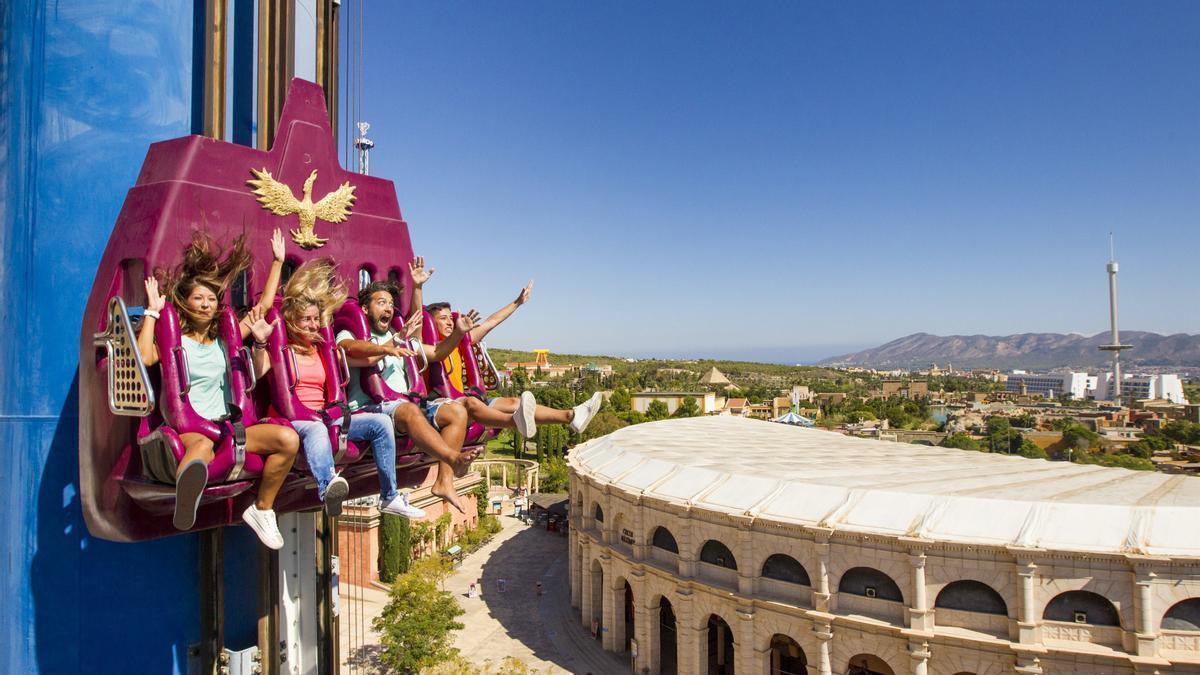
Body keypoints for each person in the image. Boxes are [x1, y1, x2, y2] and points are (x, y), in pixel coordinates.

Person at [136, 228, 299, 549]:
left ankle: (263, 509)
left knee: (287, 439)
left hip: (229, 425)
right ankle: (187, 502)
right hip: (195, 428)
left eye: (211, 299)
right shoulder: (176, 343)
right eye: (199, 298)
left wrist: (278, 263)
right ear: (185, 302)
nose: (206, 304)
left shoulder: (227, 340)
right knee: (200, 451)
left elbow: (262, 308)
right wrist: (152, 312)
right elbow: (143, 356)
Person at [335, 257, 538, 514]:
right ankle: (454, 458)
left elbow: (438, 351)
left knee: (456, 411)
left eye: (390, 303)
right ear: (365, 309)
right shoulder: (351, 333)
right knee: (411, 410)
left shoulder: (402, 335)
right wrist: (388, 346)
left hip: (408, 406)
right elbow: (349, 349)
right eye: (380, 302)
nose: (387, 307)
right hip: (372, 408)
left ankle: (446, 480)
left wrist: (456, 333)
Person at [277, 258, 418, 519]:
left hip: (326, 415)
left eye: (313, 319)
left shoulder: (322, 349)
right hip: (299, 419)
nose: (310, 324)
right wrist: (277, 263)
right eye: (304, 320)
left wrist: (392, 343)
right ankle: (326, 486)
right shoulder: (283, 351)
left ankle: (389, 496)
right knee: (317, 428)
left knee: (381, 423)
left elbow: (363, 358)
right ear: (291, 322)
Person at [422, 276, 603, 437]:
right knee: (473, 403)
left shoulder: (460, 342)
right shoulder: (428, 347)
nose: (449, 322)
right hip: (449, 406)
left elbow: (491, 322)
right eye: (443, 318)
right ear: (431, 322)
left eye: (449, 318)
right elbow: (416, 318)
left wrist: (517, 302)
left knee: (513, 402)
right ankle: (516, 422)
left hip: (466, 400)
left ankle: (571, 416)